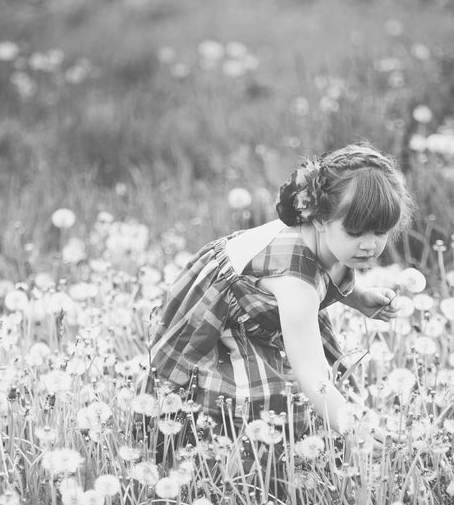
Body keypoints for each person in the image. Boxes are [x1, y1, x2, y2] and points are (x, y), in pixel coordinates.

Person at [147, 141, 416, 444]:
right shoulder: (294, 284)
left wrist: (358, 297)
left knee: (301, 397)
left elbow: (328, 273)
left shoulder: (334, 244)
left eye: (379, 232)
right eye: (355, 232)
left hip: (261, 309)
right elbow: (312, 372)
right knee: (255, 405)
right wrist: (352, 428)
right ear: (319, 219)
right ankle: (218, 463)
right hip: (215, 321)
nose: (369, 245)